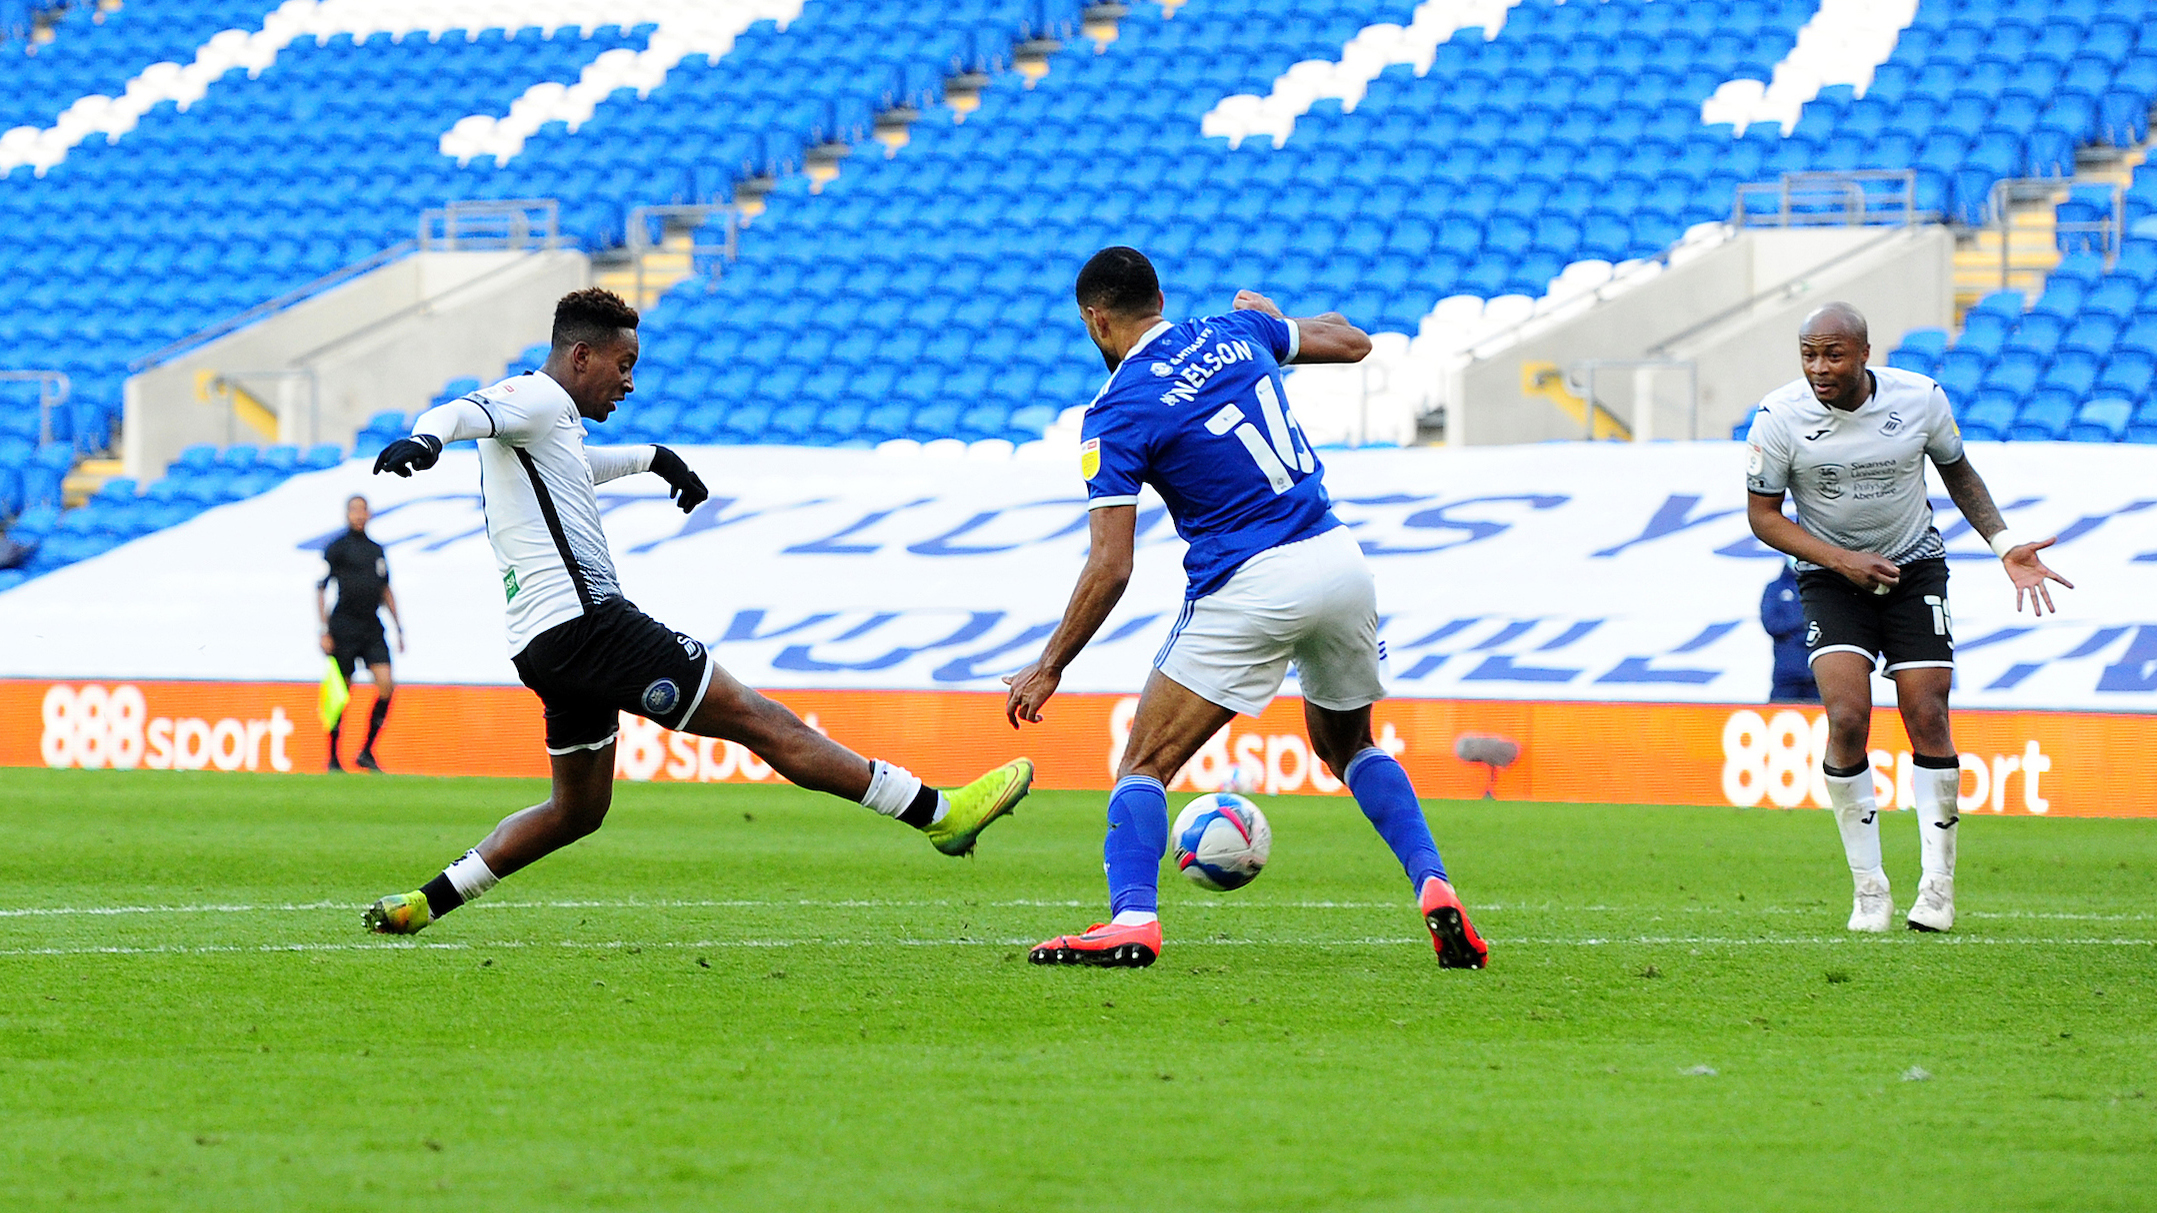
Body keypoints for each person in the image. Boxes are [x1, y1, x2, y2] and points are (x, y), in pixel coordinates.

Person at [360, 287, 1032, 935]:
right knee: (761, 720)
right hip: (589, 623)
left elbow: (577, 468)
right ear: (581, 357)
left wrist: (657, 460)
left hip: (542, 644)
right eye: (623, 366)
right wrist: (426, 441)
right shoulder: (534, 394)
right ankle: (939, 813)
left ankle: (425, 901)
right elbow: (463, 411)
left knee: (577, 809)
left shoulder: (550, 427)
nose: (628, 383)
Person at [1004, 247, 1487, 970]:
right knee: (1349, 745)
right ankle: (1435, 885)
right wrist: (1271, 319)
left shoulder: (1115, 410)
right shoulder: (1233, 332)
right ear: (1160, 298)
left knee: (1144, 760)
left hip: (1252, 581)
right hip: (1338, 557)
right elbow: (1354, 342)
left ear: (1096, 320)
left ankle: (1132, 919)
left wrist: (1050, 665)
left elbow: (1110, 564)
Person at [1744, 302, 2072, 935]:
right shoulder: (1779, 417)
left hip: (1913, 568)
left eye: (1833, 355)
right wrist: (1841, 561)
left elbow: (1958, 472)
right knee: (1846, 717)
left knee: (1928, 713)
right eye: (1809, 354)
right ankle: (1870, 891)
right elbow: (1764, 516)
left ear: (1865, 354)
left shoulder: (1919, 399)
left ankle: (1937, 888)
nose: (1819, 368)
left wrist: (2005, 545)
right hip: (1830, 575)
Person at [317, 494, 403, 771]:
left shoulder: (376, 550)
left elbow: (385, 589)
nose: (358, 515)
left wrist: (399, 627)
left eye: (363, 510)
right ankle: (332, 756)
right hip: (343, 625)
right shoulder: (336, 548)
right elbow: (320, 588)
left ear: (369, 514)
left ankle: (366, 751)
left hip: (372, 625)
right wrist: (324, 629)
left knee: (386, 685)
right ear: (347, 514)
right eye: (354, 510)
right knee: (342, 692)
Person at [1760, 562, 1818, 703]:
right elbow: (1772, 625)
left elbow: (1828, 625)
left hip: (1819, 674)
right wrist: (1803, 621)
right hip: (1787, 674)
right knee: (1780, 718)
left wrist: (1793, 629)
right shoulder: (1775, 587)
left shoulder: (1821, 588)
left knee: (1826, 721)